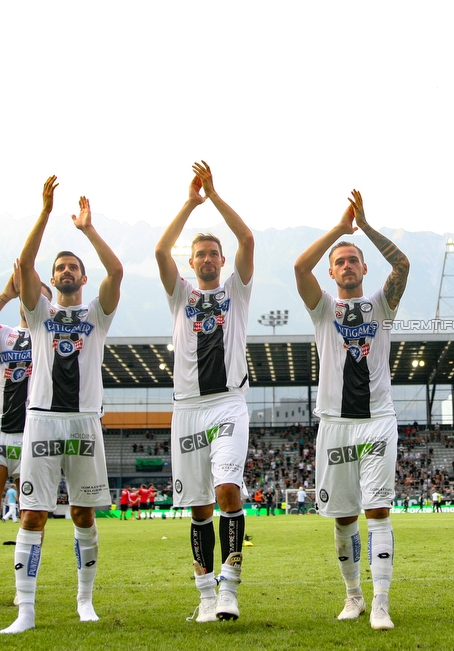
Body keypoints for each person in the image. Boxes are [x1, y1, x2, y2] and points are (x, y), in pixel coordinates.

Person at [2, 176, 123, 634]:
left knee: (82, 513)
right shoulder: (39, 315)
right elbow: (24, 264)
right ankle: (25, 612)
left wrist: (88, 232)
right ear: (51, 280)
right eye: (61, 268)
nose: (68, 271)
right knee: (33, 514)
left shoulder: (96, 313)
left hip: (85, 422)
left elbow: (117, 274)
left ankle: (84, 601)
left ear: (83, 276)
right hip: (43, 422)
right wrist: (46, 212)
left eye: (74, 267)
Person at [295, 189, 409, 630]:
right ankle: (354, 595)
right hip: (335, 423)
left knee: (377, 510)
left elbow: (402, 266)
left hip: (378, 420)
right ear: (331, 271)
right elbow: (299, 267)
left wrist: (367, 226)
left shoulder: (382, 304)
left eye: (352, 260)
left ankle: (381, 602)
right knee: (343, 516)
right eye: (339, 261)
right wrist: (339, 231)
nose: (345, 266)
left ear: (364, 268)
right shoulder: (323, 308)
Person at [155, 161, 254, 622]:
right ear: (192, 263)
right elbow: (159, 251)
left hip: (228, 403)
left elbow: (248, 240)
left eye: (216, 252)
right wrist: (189, 203)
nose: (211, 258)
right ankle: (205, 596)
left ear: (222, 259)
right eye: (203, 254)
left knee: (227, 490)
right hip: (187, 409)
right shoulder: (182, 296)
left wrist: (213, 196)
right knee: (197, 506)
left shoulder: (238, 289)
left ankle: (230, 588)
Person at [0, 270, 51, 609]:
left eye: (39, 293)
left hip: (33, 436)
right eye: (27, 291)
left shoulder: (52, 336)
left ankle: (23, 586)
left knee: (31, 515)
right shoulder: (5, 335)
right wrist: (4, 294)